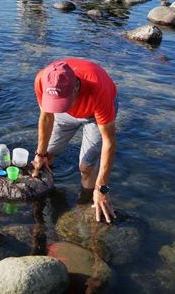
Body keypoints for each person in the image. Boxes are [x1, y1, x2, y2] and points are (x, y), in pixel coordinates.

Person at [31, 59, 118, 223]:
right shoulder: (43, 79)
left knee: (86, 167)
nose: (60, 107)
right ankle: (48, 196)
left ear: (76, 87)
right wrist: (40, 153)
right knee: (46, 157)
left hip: (94, 115)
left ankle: (86, 205)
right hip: (64, 117)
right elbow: (46, 117)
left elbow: (109, 142)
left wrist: (102, 188)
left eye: (62, 102)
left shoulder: (98, 89)